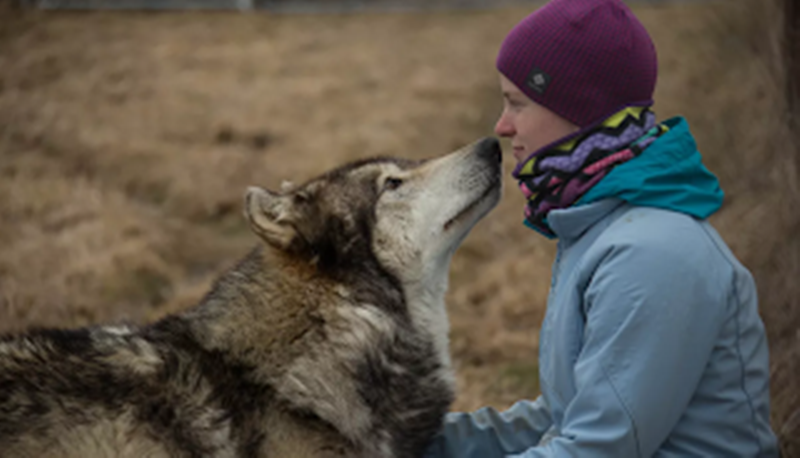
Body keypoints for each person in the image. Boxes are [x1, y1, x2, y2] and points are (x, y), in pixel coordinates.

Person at [423, 0, 780, 456]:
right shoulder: (601, 231)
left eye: (518, 104)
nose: (502, 126)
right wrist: (414, 443)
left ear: (580, 111)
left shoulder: (652, 255)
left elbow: (597, 448)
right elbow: (565, 418)